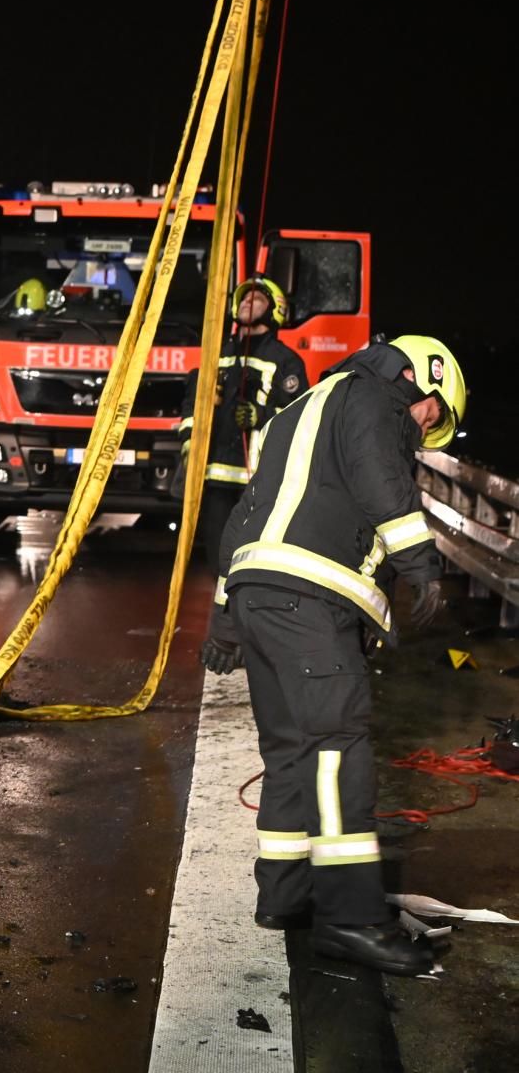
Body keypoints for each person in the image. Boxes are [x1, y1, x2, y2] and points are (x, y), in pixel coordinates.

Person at [199, 335, 467, 976]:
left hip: (259, 596)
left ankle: (284, 897)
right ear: (422, 381)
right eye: (434, 413)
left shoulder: (300, 409)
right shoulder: (377, 400)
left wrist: (224, 621)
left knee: (290, 749)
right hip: (308, 602)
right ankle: (351, 919)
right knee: (338, 743)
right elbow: (379, 479)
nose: (425, 430)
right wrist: (422, 566)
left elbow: (248, 514)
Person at [176, 277, 308, 568]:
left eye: (257, 299)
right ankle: (221, 604)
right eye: (244, 299)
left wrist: (260, 416)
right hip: (215, 474)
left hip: (260, 477)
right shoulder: (218, 353)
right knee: (218, 552)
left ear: (275, 310)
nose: (248, 303)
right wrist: (188, 438)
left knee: (255, 552)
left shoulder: (286, 361)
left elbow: (300, 416)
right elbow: (191, 403)